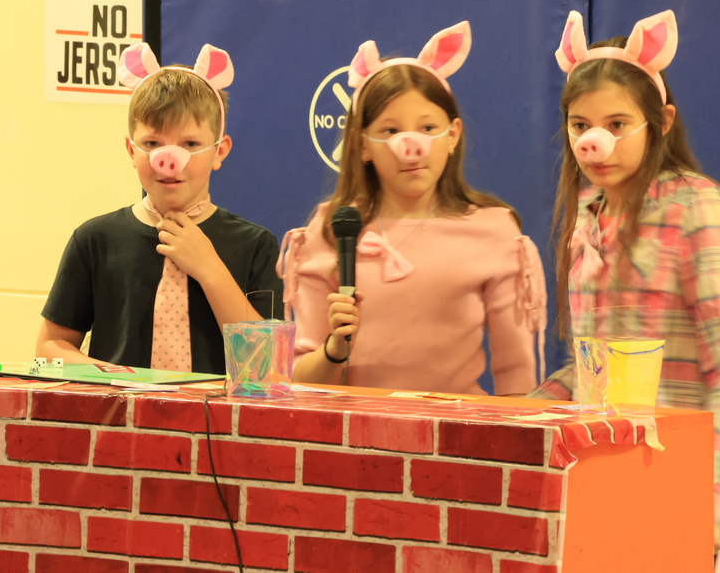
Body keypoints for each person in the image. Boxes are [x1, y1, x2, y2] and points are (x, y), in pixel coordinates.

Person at [528, 10, 720, 554]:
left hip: (669, 485)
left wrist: (709, 502)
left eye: (615, 125)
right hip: (590, 483)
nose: (594, 142)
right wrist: (518, 414)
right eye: (581, 126)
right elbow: (591, 368)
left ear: (661, 121)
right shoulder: (587, 212)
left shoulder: (695, 204)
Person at [278, 22, 546, 395]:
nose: (411, 145)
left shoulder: (495, 229)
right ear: (361, 145)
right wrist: (334, 351)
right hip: (348, 439)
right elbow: (299, 380)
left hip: (456, 439)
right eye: (389, 131)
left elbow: (516, 375)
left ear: (452, 135)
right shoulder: (331, 228)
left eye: (427, 127)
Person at [37, 42, 282, 373]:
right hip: (119, 418)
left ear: (219, 151)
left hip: (218, 422)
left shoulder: (255, 245)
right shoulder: (95, 240)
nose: (169, 161)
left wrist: (210, 270)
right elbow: (50, 346)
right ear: (131, 149)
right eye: (152, 144)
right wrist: (100, 373)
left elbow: (265, 367)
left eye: (191, 144)